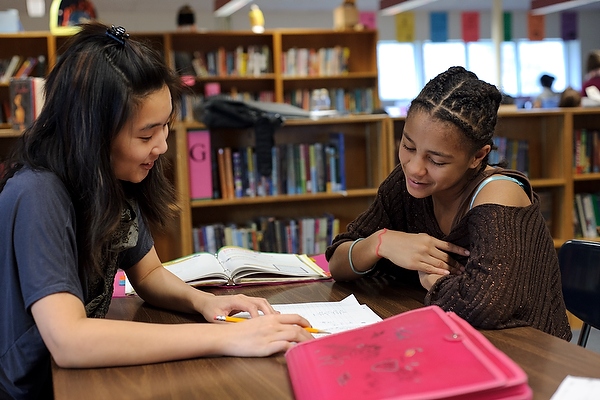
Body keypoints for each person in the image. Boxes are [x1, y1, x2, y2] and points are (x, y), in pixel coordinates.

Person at [0, 22, 313, 399]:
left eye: (166, 126)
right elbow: (70, 341)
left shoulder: (113, 175)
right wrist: (225, 336)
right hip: (32, 387)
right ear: (92, 135)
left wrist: (205, 302)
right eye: (146, 135)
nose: (162, 146)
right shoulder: (38, 193)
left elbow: (147, 272)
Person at [325, 66, 572, 341]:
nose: (415, 168)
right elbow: (337, 261)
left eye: (437, 160)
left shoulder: (501, 194)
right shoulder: (406, 183)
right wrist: (379, 243)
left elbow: (484, 306)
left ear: (478, 156)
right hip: (447, 339)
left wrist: (434, 281)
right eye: (408, 146)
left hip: (526, 352)